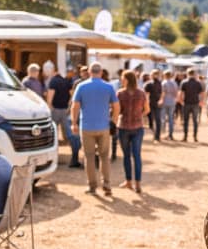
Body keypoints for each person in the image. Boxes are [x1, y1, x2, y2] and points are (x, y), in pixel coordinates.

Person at [71, 62, 119, 196]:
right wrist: (113, 122)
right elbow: (116, 106)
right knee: (104, 156)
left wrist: (74, 123)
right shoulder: (109, 87)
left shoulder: (81, 86)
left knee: (89, 157)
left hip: (86, 127)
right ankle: (107, 184)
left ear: (89, 72)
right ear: (101, 72)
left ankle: (92, 186)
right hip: (104, 127)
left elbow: (75, 106)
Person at [116, 70, 149, 194]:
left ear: (127, 80)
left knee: (127, 156)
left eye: (123, 78)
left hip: (124, 127)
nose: (121, 80)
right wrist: (139, 115)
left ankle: (129, 181)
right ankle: (137, 184)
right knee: (136, 156)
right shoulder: (141, 93)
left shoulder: (120, 94)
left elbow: (117, 111)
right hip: (137, 127)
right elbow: (147, 110)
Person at [45, 63, 82, 168]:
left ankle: (53, 157)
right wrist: (68, 107)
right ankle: (74, 156)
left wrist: (50, 107)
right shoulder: (66, 81)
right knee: (70, 135)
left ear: (54, 71)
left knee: (53, 134)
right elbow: (72, 96)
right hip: (65, 110)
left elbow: (50, 96)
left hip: (55, 110)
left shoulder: (53, 81)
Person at [179, 68, 204, 142]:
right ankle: (195, 137)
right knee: (195, 121)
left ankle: (185, 136)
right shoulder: (198, 83)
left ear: (187, 74)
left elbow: (181, 93)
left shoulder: (184, 82)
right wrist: (201, 101)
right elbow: (202, 93)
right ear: (194, 74)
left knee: (185, 121)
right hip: (195, 103)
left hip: (186, 103)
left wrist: (181, 101)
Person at [143, 69, 163, 142]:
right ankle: (157, 136)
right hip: (156, 104)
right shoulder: (160, 83)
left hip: (151, 104)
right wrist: (161, 100)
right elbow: (161, 93)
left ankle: (156, 136)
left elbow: (146, 95)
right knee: (157, 120)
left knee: (152, 121)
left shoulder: (148, 84)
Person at [160, 70, 179, 140]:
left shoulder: (163, 83)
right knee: (171, 118)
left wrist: (161, 100)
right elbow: (176, 93)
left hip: (165, 101)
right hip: (172, 101)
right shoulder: (174, 83)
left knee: (163, 118)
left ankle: (163, 133)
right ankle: (170, 134)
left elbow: (163, 93)